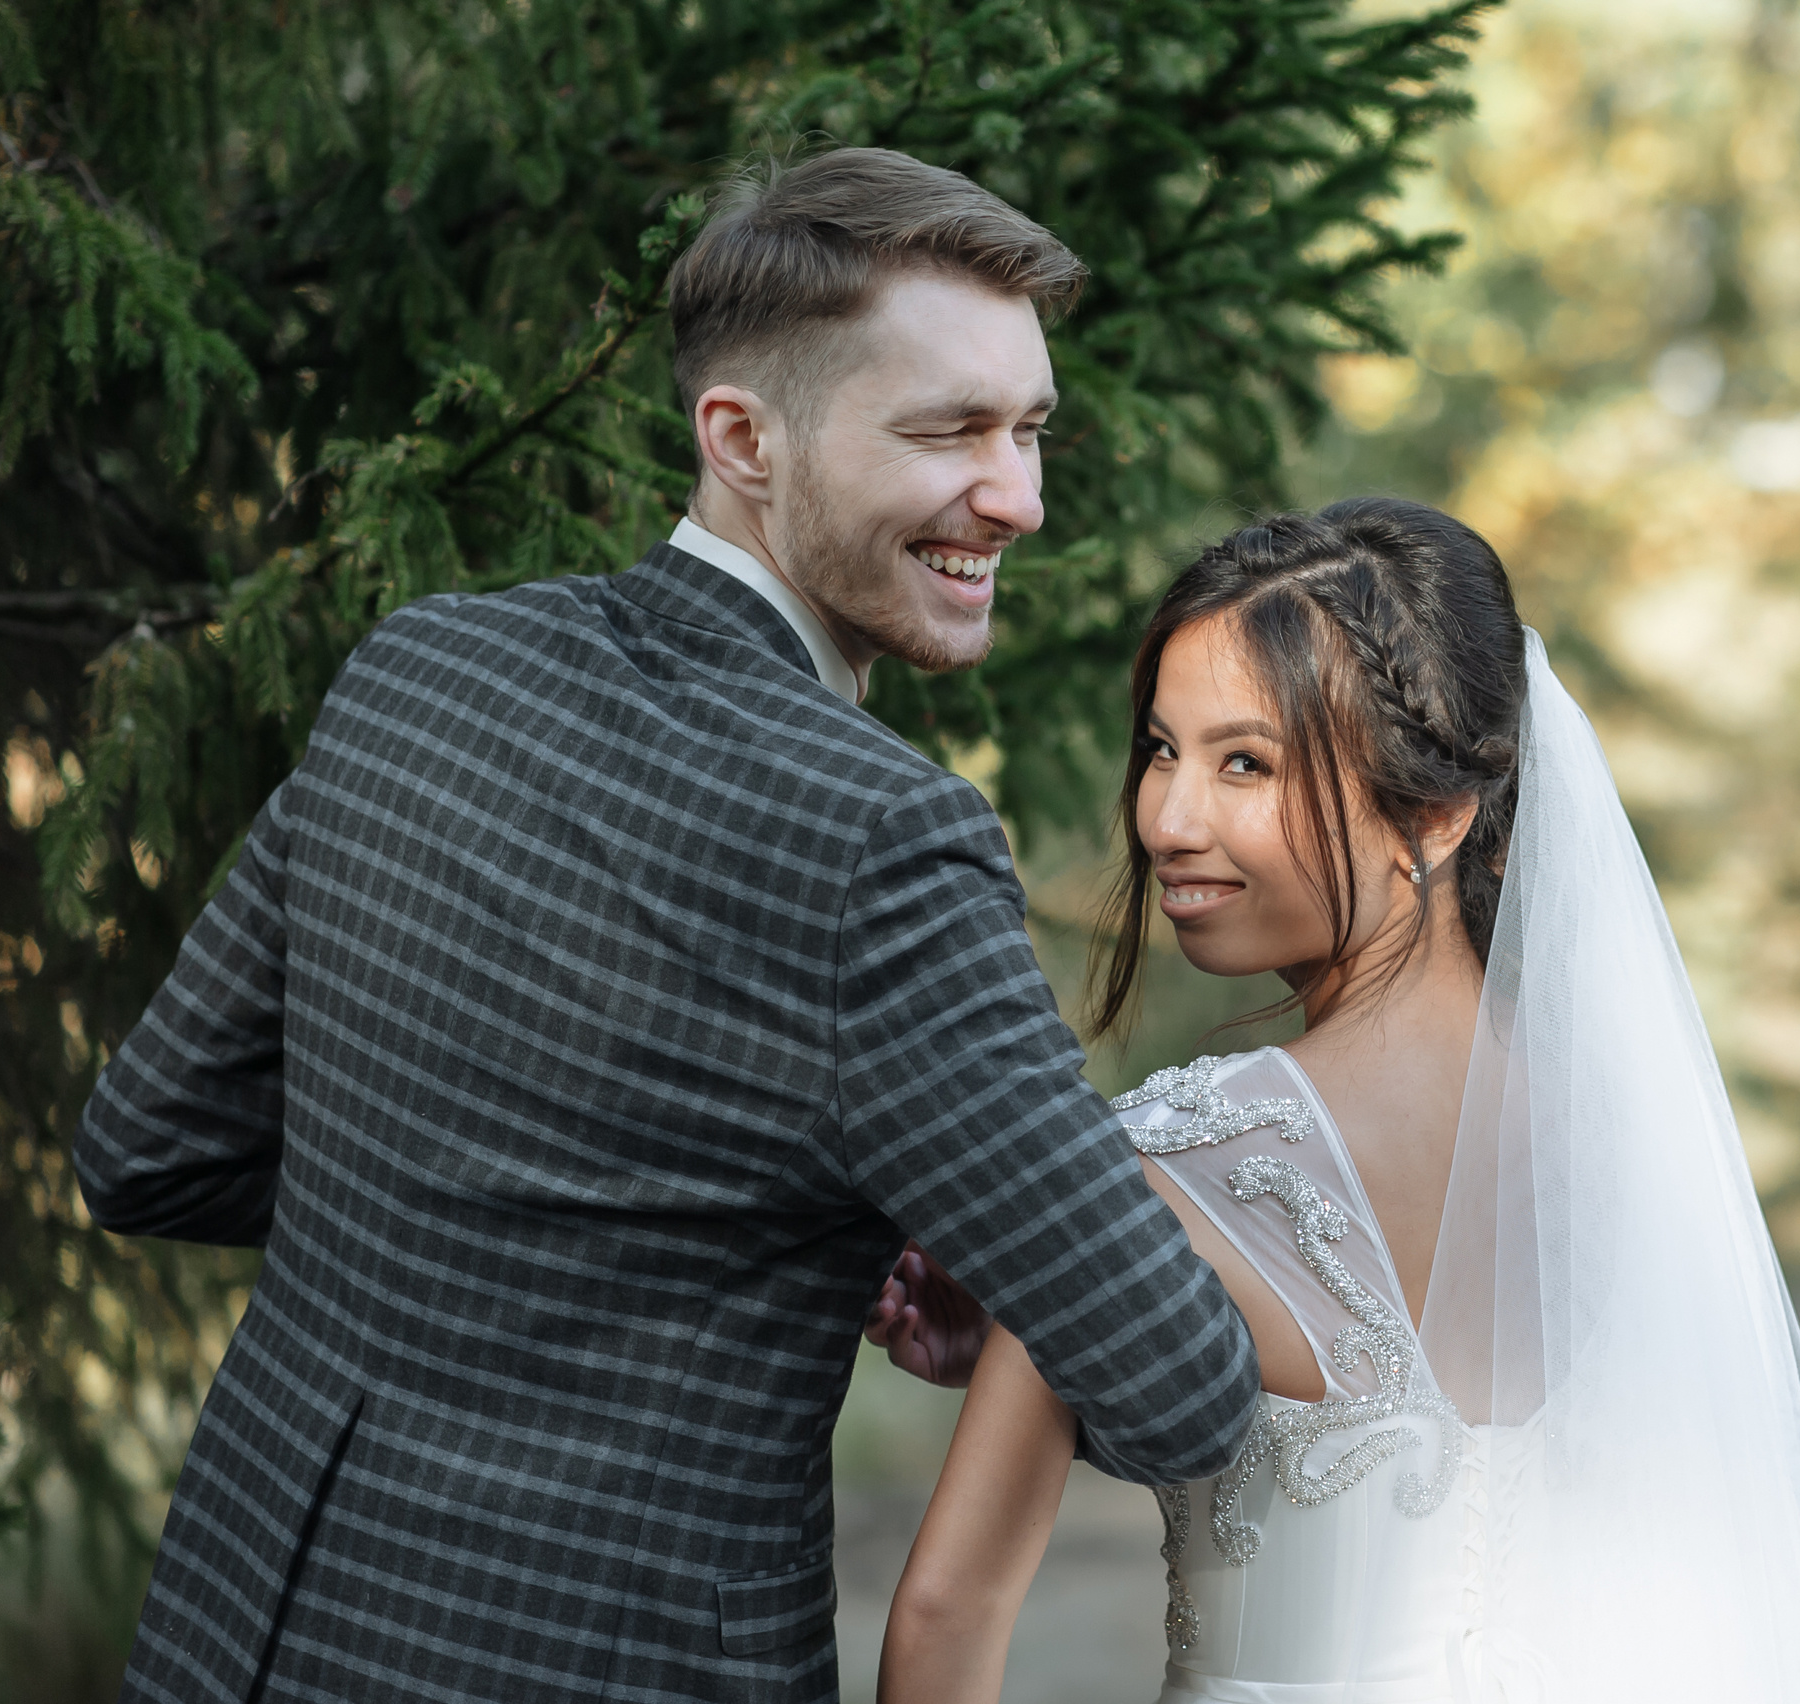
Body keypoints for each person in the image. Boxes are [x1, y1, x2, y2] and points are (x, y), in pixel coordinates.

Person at [71, 147, 1258, 1704]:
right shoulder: (882, 846)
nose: (1018, 499)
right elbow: (1176, 1389)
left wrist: (539, 1212)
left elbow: (149, 1147)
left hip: (241, 1636)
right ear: (742, 437)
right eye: (948, 431)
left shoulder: (424, 670)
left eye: (1030, 429)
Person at [874, 498, 1800, 1703]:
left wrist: (1048, 1299)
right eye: (1162, 748)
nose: (1167, 819)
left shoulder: (1151, 1166)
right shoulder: (1649, 1160)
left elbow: (949, 1616)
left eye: (1243, 762)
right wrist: (1048, 1338)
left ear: (1436, 812)